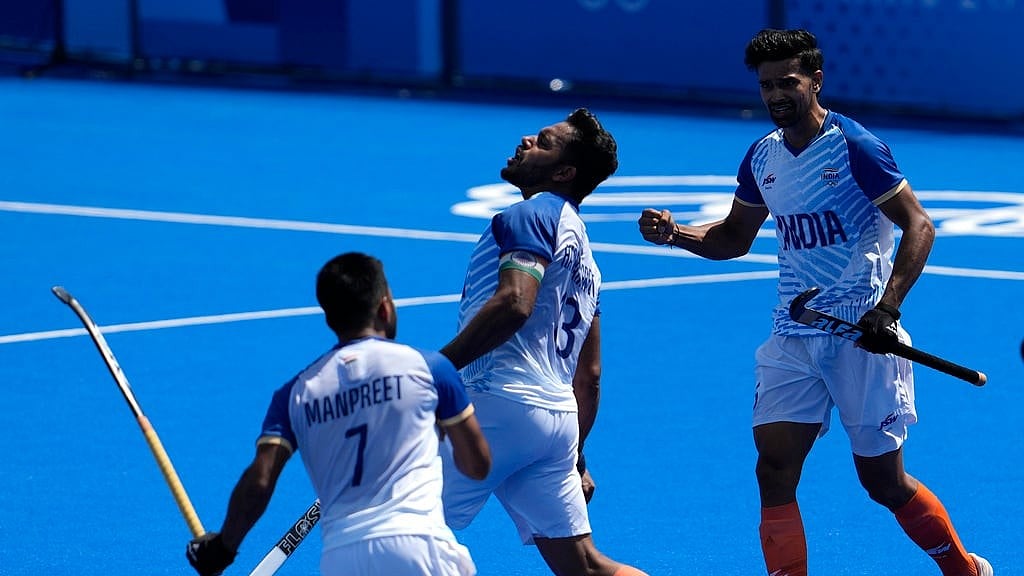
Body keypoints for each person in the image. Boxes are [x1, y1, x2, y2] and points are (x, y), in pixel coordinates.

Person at [638, 28, 992, 576]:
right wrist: (676, 235)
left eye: (788, 82)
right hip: (793, 332)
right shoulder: (761, 157)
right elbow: (733, 238)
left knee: (882, 482)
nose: (776, 94)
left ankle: (964, 569)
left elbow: (919, 225)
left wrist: (888, 307)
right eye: (766, 85)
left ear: (816, 81)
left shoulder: (855, 147)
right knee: (774, 469)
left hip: (862, 334)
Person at [185, 252, 492, 576]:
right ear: (385, 307)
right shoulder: (431, 369)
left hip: (341, 559)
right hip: (419, 545)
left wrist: (222, 549)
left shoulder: (296, 393)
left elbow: (259, 482)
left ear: (330, 319)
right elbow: (477, 466)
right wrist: (438, 433)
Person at [439, 108, 646, 576]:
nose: (527, 138)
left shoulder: (531, 213)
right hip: (555, 424)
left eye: (545, 142)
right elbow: (588, 377)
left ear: (563, 172)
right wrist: (575, 454)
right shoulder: (587, 262)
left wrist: (435, 368)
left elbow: (515, 302)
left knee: (403, 528)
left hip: (496, 404)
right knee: (587, 567)